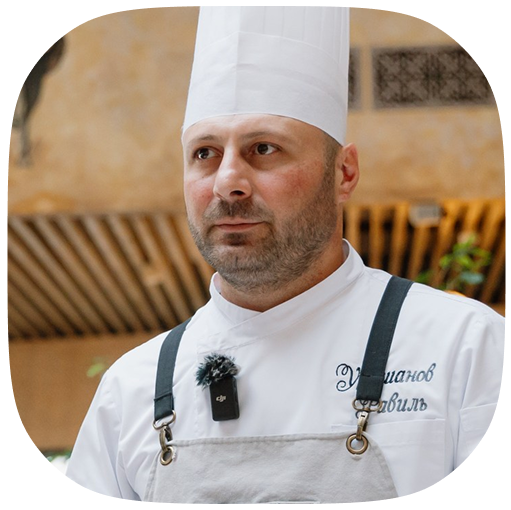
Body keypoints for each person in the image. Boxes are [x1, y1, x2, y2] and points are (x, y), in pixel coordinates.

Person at [65, 6, 505, 503]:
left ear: (343, 173)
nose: (228, 182)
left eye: (264, 148)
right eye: (205, 153)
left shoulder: (466, 349)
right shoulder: (131, 391)